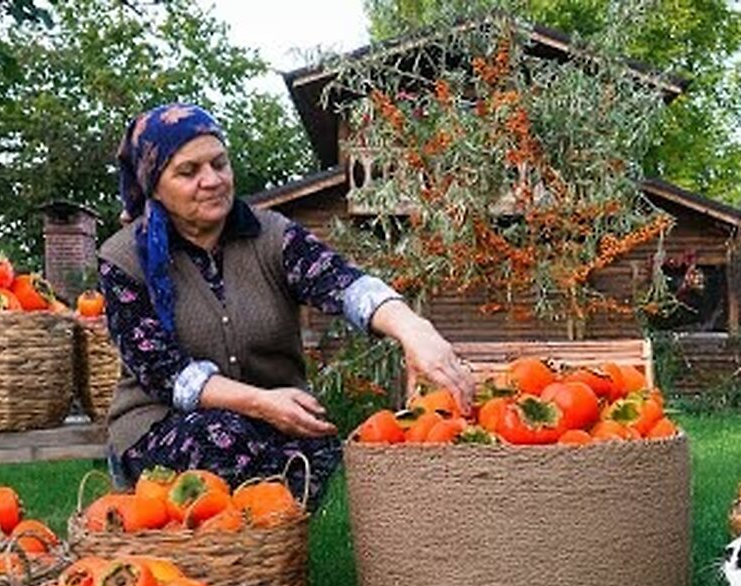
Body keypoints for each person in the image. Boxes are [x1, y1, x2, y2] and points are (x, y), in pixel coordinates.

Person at [98, 102, 474, 507]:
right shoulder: (123, 259)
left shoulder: (271, 235)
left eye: (219, 164)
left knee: (319, 448)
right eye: (189, 172)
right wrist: (260, 402)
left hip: (273, 419)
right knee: (222, 444)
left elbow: (341, 282)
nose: (212, 180)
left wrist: (413, 329)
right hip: (162, 424)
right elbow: (165, 375)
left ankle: (268, 557)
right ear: (154, 184)